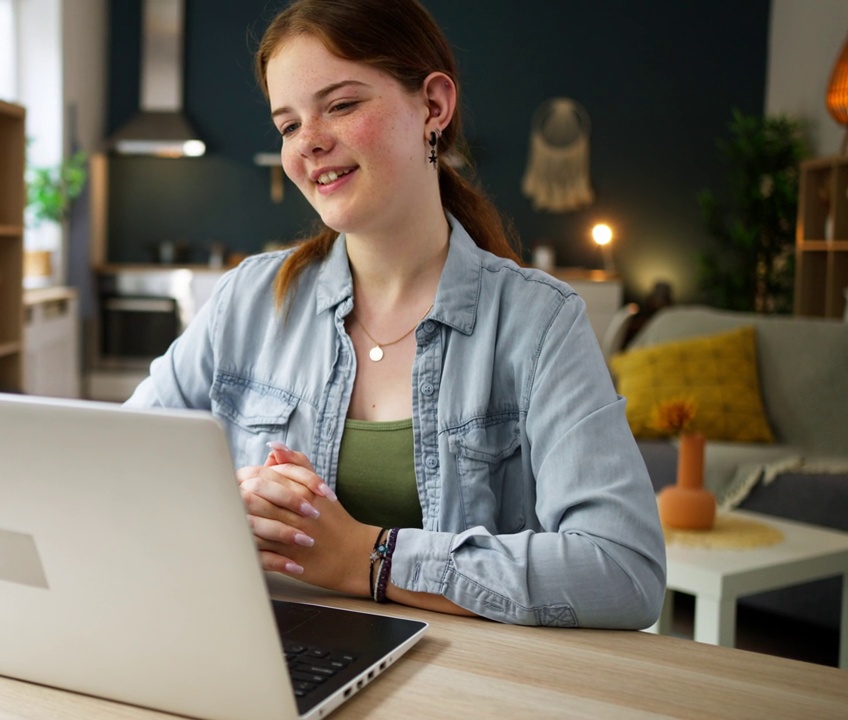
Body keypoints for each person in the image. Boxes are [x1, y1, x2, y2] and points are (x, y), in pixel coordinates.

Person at [126, 0, 665, 629]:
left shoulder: (540, 323)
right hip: (268, 656)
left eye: (342, 105)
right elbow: (118, 467)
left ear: (433, 107)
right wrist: (228, 502)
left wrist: (371, 558)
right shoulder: (246, 300)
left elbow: (624, 571)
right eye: (288, 124)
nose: (310, 143)